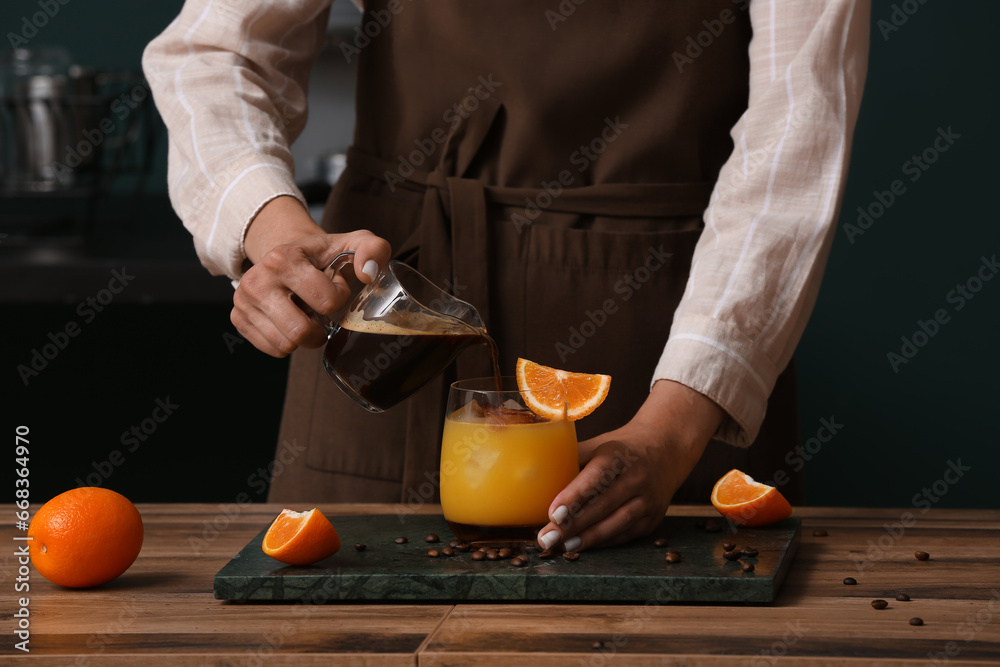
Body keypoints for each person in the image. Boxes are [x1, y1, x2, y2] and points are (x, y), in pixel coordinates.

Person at [143, 0, 870, 553]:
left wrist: (670, 432)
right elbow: (214, 52)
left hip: (666, 352)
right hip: (386, 308)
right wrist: (273, 231)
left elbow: (798, 126)